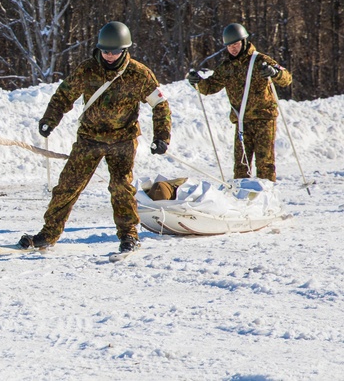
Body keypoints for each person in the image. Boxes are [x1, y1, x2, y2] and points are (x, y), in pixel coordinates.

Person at [20, 21, 171, 254]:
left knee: (120, 187)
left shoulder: (139, 74)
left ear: (125, 50)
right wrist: (50, 119)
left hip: (122, 140)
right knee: (67, 186)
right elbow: (64, 95)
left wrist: (162, 136)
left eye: (115, 52)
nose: (109, 56)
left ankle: (129, 235)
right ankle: (48, 234)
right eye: (105, 51)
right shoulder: (87, 69)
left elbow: (160, 104)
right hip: (89, 139)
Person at [186, 23, 292, 181]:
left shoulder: (260, 60)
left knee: (265, 164)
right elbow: (210, 87)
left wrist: (274, 73)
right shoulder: (226, 67)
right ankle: (242, 200)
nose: (233, 49)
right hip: (242, 122)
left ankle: (267, 199)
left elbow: (286, 79)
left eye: (236, 44)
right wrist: (197, 82)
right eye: (229, 46)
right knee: (241, 167)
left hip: (264, 119)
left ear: (244, 42)